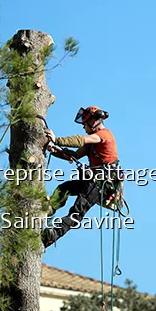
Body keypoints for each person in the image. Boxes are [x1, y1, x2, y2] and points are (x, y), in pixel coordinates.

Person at [42, 105, 119, 247]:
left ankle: (53, 235)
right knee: (64, 188)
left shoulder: (103, 135)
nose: (84, 127)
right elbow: (75, 155)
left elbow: (80, 140)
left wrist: (57, 139)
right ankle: (48, 209)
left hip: (102, 183)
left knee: (77, 211)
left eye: (85, 124)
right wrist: (54, 150)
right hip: (92, 180)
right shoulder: (92, 143)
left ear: (93, 122)